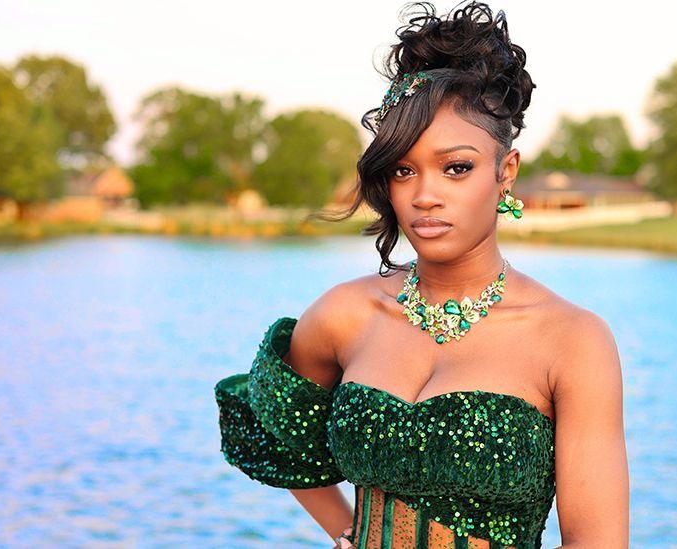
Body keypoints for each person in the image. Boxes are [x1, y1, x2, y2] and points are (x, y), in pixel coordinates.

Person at [214, 1, 629, 547]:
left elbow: (596, 541)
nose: (426, 196)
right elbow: (276, 428)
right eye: (404, 170)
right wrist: (347, 531)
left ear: (506, 172)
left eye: (456, 168)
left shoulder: (573, 341)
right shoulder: (346, 314)